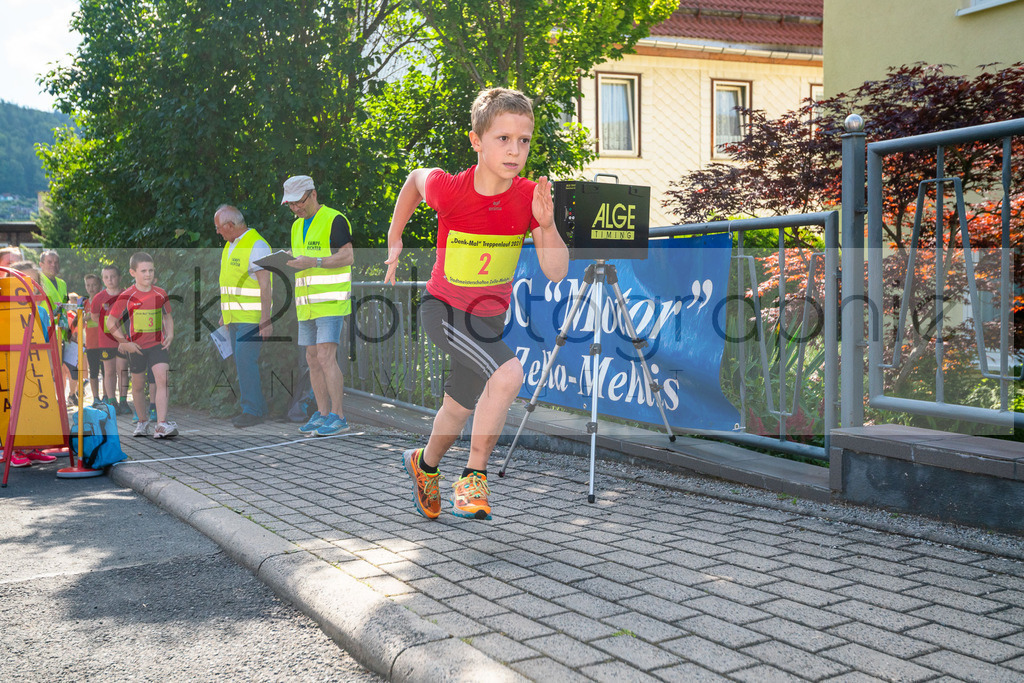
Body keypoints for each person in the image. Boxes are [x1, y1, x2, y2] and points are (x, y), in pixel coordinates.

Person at [384, 87, 568, 521]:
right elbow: (414, 180)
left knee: (458, 407)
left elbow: (556, 271)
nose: (515, 150)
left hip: (488, 321)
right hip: (443, 311)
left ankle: (424, 466)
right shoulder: (450, 190)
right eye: (503, 138)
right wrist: (396, 236)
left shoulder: (529, 198)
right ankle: (473, 477)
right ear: (476, 141)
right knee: (509, 374)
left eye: (524, 140)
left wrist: (547, 224)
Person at [282, 175, 353, 437]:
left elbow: (347, 255)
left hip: (331, 302)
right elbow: (304, 259)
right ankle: (323, 414)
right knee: (312, 359)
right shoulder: (296, 226)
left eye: (298, 203)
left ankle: (339, 416)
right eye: (290, 205)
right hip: (306, 304)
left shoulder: (334, 219)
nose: (295, 209)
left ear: (313, 194)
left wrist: (315, 262)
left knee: (325, 357)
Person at [106, 252, 178, 439]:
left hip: (157, 345)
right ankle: (142, 421)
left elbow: (167, 316)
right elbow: (110, 321)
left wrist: (170, 334)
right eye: (143, 271)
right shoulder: (127, 295)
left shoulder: (160, 293)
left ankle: (161, 424)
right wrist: (124, 342)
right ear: (133, 272)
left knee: (162, 379)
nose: (148, 274)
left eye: (151, 270)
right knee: (137, 386)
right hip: (136, 348)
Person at [215, 204, 273, 427]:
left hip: (252, 318)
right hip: (234, 318)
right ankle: (254, 407)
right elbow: (227, 283)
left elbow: (265, 285)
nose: (218, 232)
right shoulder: (230, 246)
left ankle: (253, 411)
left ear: (230, 225)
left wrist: (266, 320)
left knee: (245, 361)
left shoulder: (257, 245)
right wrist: (224, 314)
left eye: (219, 227)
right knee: (242, 362)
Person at [0, 259, 58, 468]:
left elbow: (45, 340)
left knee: (32, 407)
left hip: (34, 367)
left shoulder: (41, 312)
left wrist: (51, 366)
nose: (28, 287)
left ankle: (32, 448)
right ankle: (13, 449)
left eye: (33, 282)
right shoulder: (4, 310)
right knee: (12, 409)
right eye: (23, 282)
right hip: (9, 368)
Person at [90, 265, 133, 415]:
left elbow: (130, 318)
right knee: (108, 371)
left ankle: (123, 400)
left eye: (113, 276)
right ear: (103, 280)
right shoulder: (98, 298)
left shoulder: (127, 295)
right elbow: (95, 317)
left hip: (123, 341)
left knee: (122, 370)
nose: (110, 280)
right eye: (106, 277)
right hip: (106, 340)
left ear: (120, 277)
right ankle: (111, 401)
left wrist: (124, 339)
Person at [82, 273, 103, 405]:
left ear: (100, 285)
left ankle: (107, 396)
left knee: (107, 371)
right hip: (91, 343)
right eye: (88, 285)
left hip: (105, 341)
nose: (91, 288)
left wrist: (91, 315)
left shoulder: (103, 300)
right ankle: (95, 398)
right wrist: (87, 316)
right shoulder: (84, 302)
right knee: (93, 371)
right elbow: (80, 318)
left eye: (94, 284)